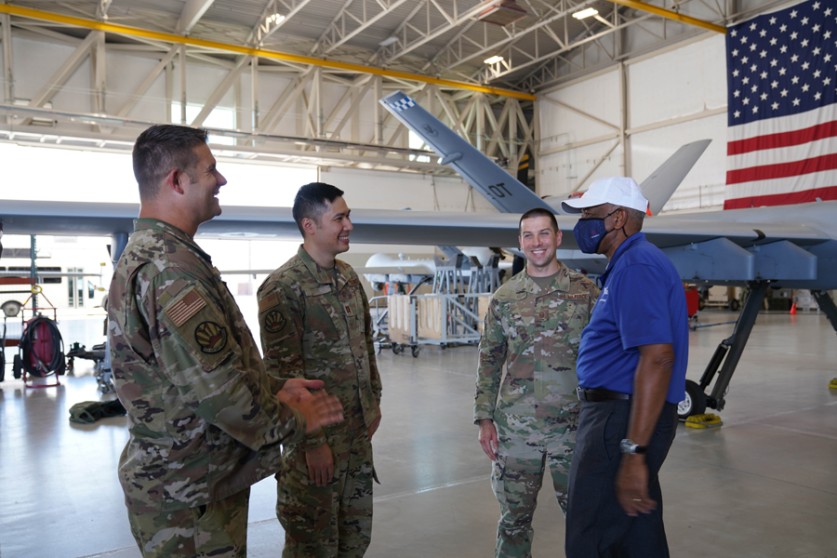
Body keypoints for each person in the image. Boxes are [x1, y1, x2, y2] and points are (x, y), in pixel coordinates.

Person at [108, 124, 344, 558]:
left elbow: (196, 368)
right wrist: (297, 418)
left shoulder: (165, 256)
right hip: (191, 495)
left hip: (193, 485)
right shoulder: (170, 270)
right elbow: (222, 395)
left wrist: (272, 385)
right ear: (177, 181)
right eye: (211, 169)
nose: (222, 179)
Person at [561, 176, 689, 557]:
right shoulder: (630, 264)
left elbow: (658, 356)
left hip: (619, 419)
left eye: (589, 214)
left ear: (617, 218)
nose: (582, 223)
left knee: (592, 537)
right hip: (622, 414)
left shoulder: (636, 265)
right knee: (635, 533)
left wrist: (632, 451)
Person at [257, 182, 382, 557]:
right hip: (316, 449)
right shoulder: (283, 288)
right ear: (310, 226)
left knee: (354, 543)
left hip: (357, 439)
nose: (349, 226)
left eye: (348, 216)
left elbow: (366, 347)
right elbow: (283, 379)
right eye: (339, 218)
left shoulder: (348, 278)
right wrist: (312, 445)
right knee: (312, 547)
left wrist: (372, 403)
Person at [475, 207, 599, 557]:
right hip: (516, 430)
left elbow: (606, 356)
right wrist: (485, 418)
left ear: (558, 238)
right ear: (519, 243)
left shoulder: (585, 292)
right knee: (514, 520)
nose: (537, 243)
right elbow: (489, 358)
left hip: (573, 429)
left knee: (584, 517)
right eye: (528, 235)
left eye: (544, 233)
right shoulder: (505, 297)